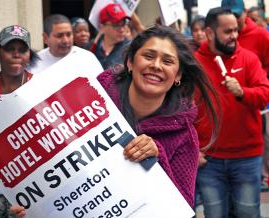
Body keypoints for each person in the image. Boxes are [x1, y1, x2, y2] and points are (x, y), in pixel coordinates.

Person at [11, 25, 220, 217]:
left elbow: (180, 209)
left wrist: (156, 157)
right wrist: (36, 208)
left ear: (178, 75)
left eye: (167, 61)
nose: (156, 66)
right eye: (148, 56)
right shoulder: (87, 101)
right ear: (130, 62)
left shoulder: (184, 136)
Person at [194, 7, 269, 218]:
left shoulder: (249, 59)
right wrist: (194, 149)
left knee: (248, 212)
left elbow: (264, 95)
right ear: (209, 33)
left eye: (236, 30)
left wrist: (242, 92)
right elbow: (184, 110)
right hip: (210, 160)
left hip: (246, 157)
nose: (234, 36)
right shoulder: (194, 65)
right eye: (227, 31)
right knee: (215, 214)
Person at [0, 24, 38, 218]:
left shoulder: (41, 87)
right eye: (9, 49)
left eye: (22, 50)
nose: (16, 55)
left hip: (33, 187)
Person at [222, 0, 269, 193]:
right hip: (228, 108)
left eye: (237, 14)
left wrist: (255, 76)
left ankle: (262, 176)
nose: (234, 19)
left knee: (261, 136)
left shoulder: (260, 35)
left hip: (255, 100)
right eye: (229, 14)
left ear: (246, 12)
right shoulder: (218, 37)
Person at [30, 14, 103, 76]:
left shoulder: (87, 58)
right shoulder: (35, 62)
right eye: (59, 36)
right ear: (45, 38)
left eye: (69, 34)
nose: (65, 40)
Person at [92, 3, 131, 69]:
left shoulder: (131, 48)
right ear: (102, 27)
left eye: (124, 23)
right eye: (116, 25)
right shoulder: (90, 47)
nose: (121, 29)